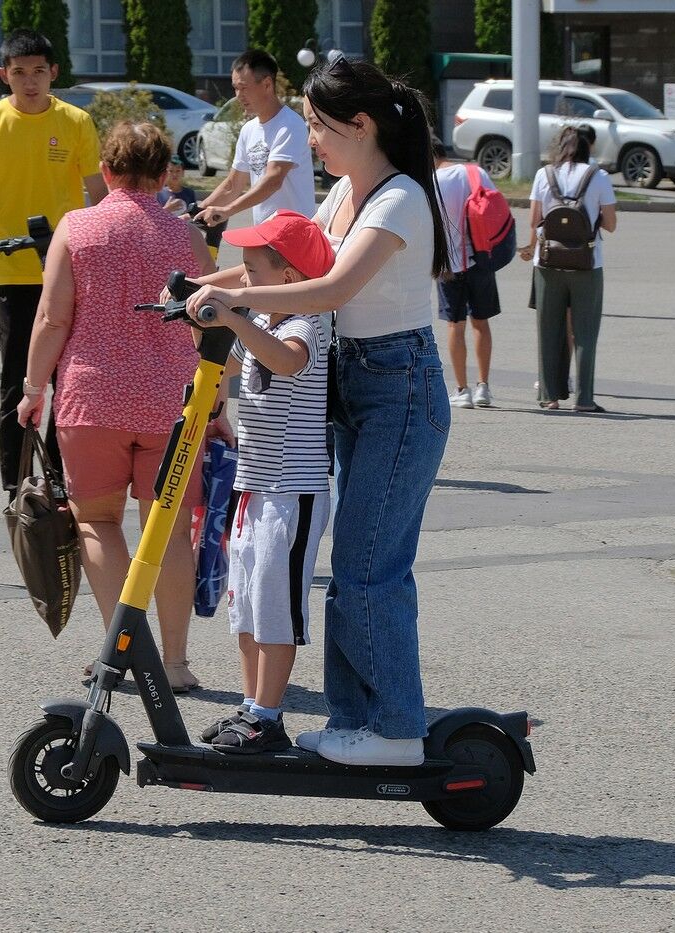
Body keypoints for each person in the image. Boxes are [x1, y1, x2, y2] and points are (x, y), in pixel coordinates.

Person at [185, 58, 452, 767]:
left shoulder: (398, 201)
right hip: (355, 386)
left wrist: (235, 306)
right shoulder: (342, 198)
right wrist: (197, 283)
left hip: (400, 387)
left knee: (370, 566)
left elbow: (328, 289)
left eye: (318, 126)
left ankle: (395, 727)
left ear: (360, 126)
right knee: (353, 564)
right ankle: (355, 720)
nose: (310, 140)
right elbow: (277, 265)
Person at [15, 122, 216, 692]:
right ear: (162, 175)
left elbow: (53, 318)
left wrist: (33, 389)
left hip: (93, 397)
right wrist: (216, 401)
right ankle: (175, 664)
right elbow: (207, 324)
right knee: (172, 531)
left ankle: (121, 650)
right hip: (173, 402)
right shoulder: (187, 238)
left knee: (99, 523)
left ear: (105, 171)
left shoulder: (77, 228)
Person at [187, 211, 334, 753]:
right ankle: (250, 708)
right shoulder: (265, 322)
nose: (243, 278)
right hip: (254, 485)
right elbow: (238, 360)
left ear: (291, 277)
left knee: (276, 606)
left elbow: (288, 363)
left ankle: (269, 716)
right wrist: (200, 298)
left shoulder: (304, 325)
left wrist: (234, 316)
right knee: (245, 605)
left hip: (291, 492)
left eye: (254, 269)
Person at [0, 29, 107, 500]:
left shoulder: (76, 122)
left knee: (68, 379)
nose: (30, 82)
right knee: (20, 375)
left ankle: (60, 480)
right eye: (19, 73)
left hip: (68, 268)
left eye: (39, 71)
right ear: (4, 76)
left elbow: (99, 192)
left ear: (53, 73)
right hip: (13, 271)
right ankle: (15, 483)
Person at [517, 125, 617, 413]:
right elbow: (610, 224)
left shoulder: (543, 174)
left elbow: (535, 219)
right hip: (587, 262)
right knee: (585, 332)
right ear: (587, 149)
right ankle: (584, 399)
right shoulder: (599, 177)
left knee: (548, 330)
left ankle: (549, 396)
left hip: (547, 261)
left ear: (559, 149)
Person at [195, 49, 316, 229]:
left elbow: (273, 180)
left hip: (294, 236)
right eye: (235, 88)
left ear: (267, 84)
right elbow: (232, 185)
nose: (238, 95)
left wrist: (227, 210)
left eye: (243, 88)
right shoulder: (248, 130)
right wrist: (197, 211)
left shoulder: (290, 125)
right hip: (264, 235)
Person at [433, 138, 500, 409]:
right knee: (481, 323)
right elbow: (494, 207)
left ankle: (463, 390)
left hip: (449, 264)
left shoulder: (432, 181)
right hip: (481, 259)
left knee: (455, 325)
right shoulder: (475, 172)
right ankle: (484, 386)